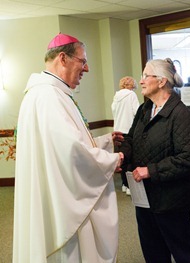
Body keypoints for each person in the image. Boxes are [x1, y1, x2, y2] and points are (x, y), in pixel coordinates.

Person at [13, 33, 124, 262]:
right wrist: (113, 160)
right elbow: (71, 152)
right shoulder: (48, 96)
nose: (87, 69)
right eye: (82, 61)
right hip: (62, 205)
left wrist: (105, 141)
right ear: (62, 58)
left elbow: (66, 143)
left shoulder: (47, 93)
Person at [122, 58, 190, 263]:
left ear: (161, 81)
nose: (141, 81)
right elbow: (132, 139)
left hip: (171, 199)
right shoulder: (144, 110)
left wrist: (151, 170)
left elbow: (187, 159)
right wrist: (121, 151)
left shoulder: (180, 114)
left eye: (145, 76)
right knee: (153, 250)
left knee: (184, 251)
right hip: (144, 196)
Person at [111, 76, 140, 195]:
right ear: (132, 85)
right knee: (131, 159)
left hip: (118, 132)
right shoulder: (131, 95)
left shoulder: (116, 96)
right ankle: (129, 187)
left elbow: (113, 112)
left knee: (122, 158)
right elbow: (137, 112)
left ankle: (123, 184)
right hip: (129, 131)